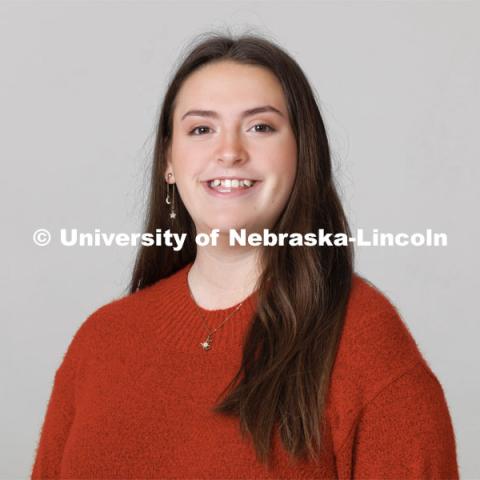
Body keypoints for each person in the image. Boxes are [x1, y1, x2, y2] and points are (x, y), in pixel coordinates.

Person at [31, 32, 459, 479]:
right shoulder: (100, 342)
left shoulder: (365, 341)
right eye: (201, 129)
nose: (230, 152)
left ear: (301, 154)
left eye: (260, 127)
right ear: (169, 162)